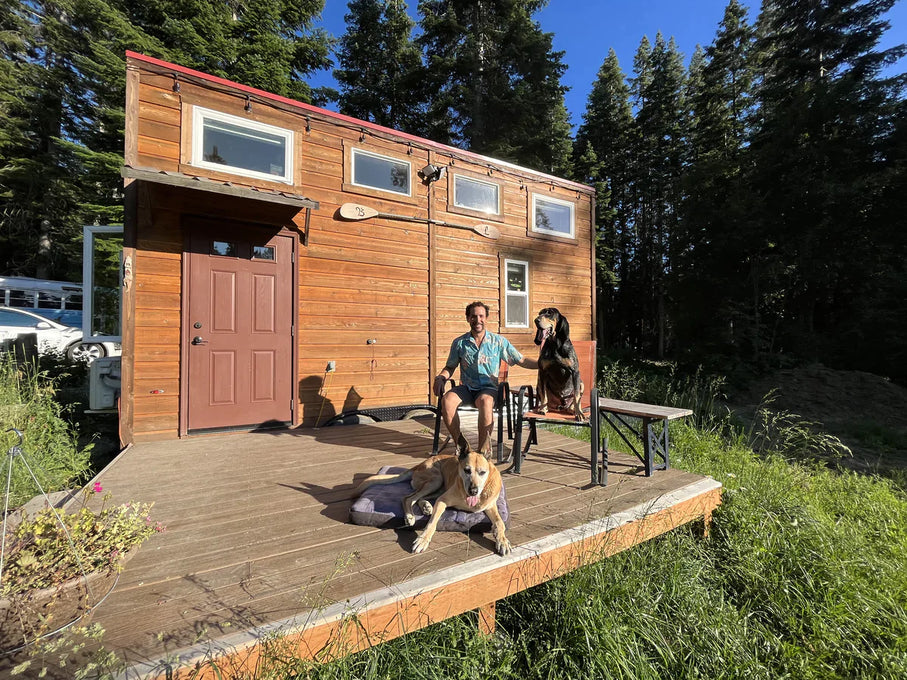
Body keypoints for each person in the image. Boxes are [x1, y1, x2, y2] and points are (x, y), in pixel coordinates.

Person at [433, 301, 538, 456]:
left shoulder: (499, 342)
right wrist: (441, 378)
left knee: (485, 401)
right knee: (447, 400)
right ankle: (461, 447)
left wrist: (542, 365)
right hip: (467, 388)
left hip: (489, 389)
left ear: (486, 318)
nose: (478, 320)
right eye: (474, 316)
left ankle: (483, 452)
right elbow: (450, 367)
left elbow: (520, 360)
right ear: (468, 318)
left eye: (481, 316)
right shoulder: (460, 343)